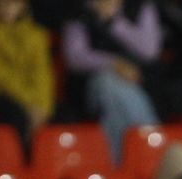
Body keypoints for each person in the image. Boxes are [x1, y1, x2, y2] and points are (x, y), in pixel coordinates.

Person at [62, 0, 162, 163]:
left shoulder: (141, 6)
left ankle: (120, 165)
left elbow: (149, 51)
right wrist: (113, 64)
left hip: (142, 84)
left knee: (115, 110)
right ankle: (154, 147)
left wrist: (114, 22)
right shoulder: (79, 10)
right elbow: (74, 57)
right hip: (92, 86)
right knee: (109, 83)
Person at [0, 0, 56, 146]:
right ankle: (18, 159)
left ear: (22, 5)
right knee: (16, 116)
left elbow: (42, 74)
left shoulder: (37, 35)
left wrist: (43, 106)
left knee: (65, 117)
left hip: (33, 99)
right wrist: (29, 103)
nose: (6, 9)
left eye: (11, 4)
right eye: (1, 4)